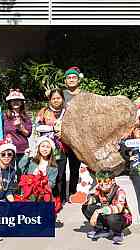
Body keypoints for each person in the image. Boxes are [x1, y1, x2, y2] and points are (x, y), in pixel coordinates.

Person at [36, 88, 68, 203]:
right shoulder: (44, 111)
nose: (56, 100)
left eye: (58, 98)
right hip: (47, 148)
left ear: (62, 99)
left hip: (62, 148)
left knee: (61, 173)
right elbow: (38, 126)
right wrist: (52, 128)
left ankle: (61, 198)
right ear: (50, 99)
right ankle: (49, 197)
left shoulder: (67, 111)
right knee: (49, 171)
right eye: (53, 98)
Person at [82, 170, 132, 245]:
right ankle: (103, 229)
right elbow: (94, 198)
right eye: (99, 181)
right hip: (106, 214)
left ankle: (118, 233)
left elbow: (118, 208)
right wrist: (88, 200)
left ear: (112, 181)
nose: (102, 184)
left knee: (112, 217)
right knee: (86, 207)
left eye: (106, 181)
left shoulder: (120, 191)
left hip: (121, 217)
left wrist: (97, 212)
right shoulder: (99, 189)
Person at [62, 66, 84, 196]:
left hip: (78, 137)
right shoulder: (61, 93)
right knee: (61, 167)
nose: (71, 80)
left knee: (75, 167)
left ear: (78, 79)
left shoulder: (84, 95)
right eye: (69, 78)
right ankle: (61, 195)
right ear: (65, 81)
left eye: (74, 77)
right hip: (63, 136)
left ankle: (72, 192)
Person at [3, 89, 32, 164]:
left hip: (22, 149)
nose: (15, 102)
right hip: (8, 149)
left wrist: (20, 127)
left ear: (22, 102)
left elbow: (28, 134)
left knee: (22, 173)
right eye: (13, 100)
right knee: (9, 172)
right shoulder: (4, 116)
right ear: (9, 102)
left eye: (18, 100)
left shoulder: (26, 116)